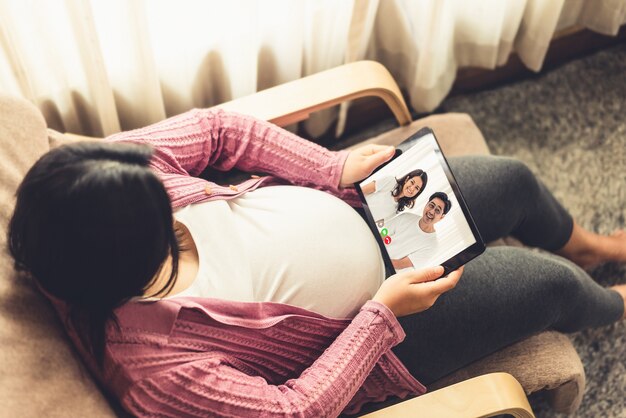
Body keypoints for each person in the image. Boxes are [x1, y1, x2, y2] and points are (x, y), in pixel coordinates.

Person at [8, 108, 626, 417]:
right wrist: (382, 315)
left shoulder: (97, 192)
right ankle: (612, 301)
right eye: (162, 224)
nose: (171, 199)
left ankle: (590, 244)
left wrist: (332, 169)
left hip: (358, 207)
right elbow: (293, 409)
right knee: (548, 288)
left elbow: (221, 131)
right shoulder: (159, 373)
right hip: (385, 332)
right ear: (128, 267)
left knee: (512, 182)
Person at [387, 192, 452, 271]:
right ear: (426, 204)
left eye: (437, 210)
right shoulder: (406, 217)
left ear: (441, 217)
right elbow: (384, 232)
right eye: (431, 205)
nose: (431, 212)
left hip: (389, 272)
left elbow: (401, 264)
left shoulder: (432, 245)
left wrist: (383, 261)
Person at [360, 168, 428, 224]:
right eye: (412, 182)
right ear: (407, 179)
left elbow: (378, 222)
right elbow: (361, 191)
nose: (412, 188)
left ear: (418, 192)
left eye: (416, 188)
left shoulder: (399, 208)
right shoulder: (390, 181)